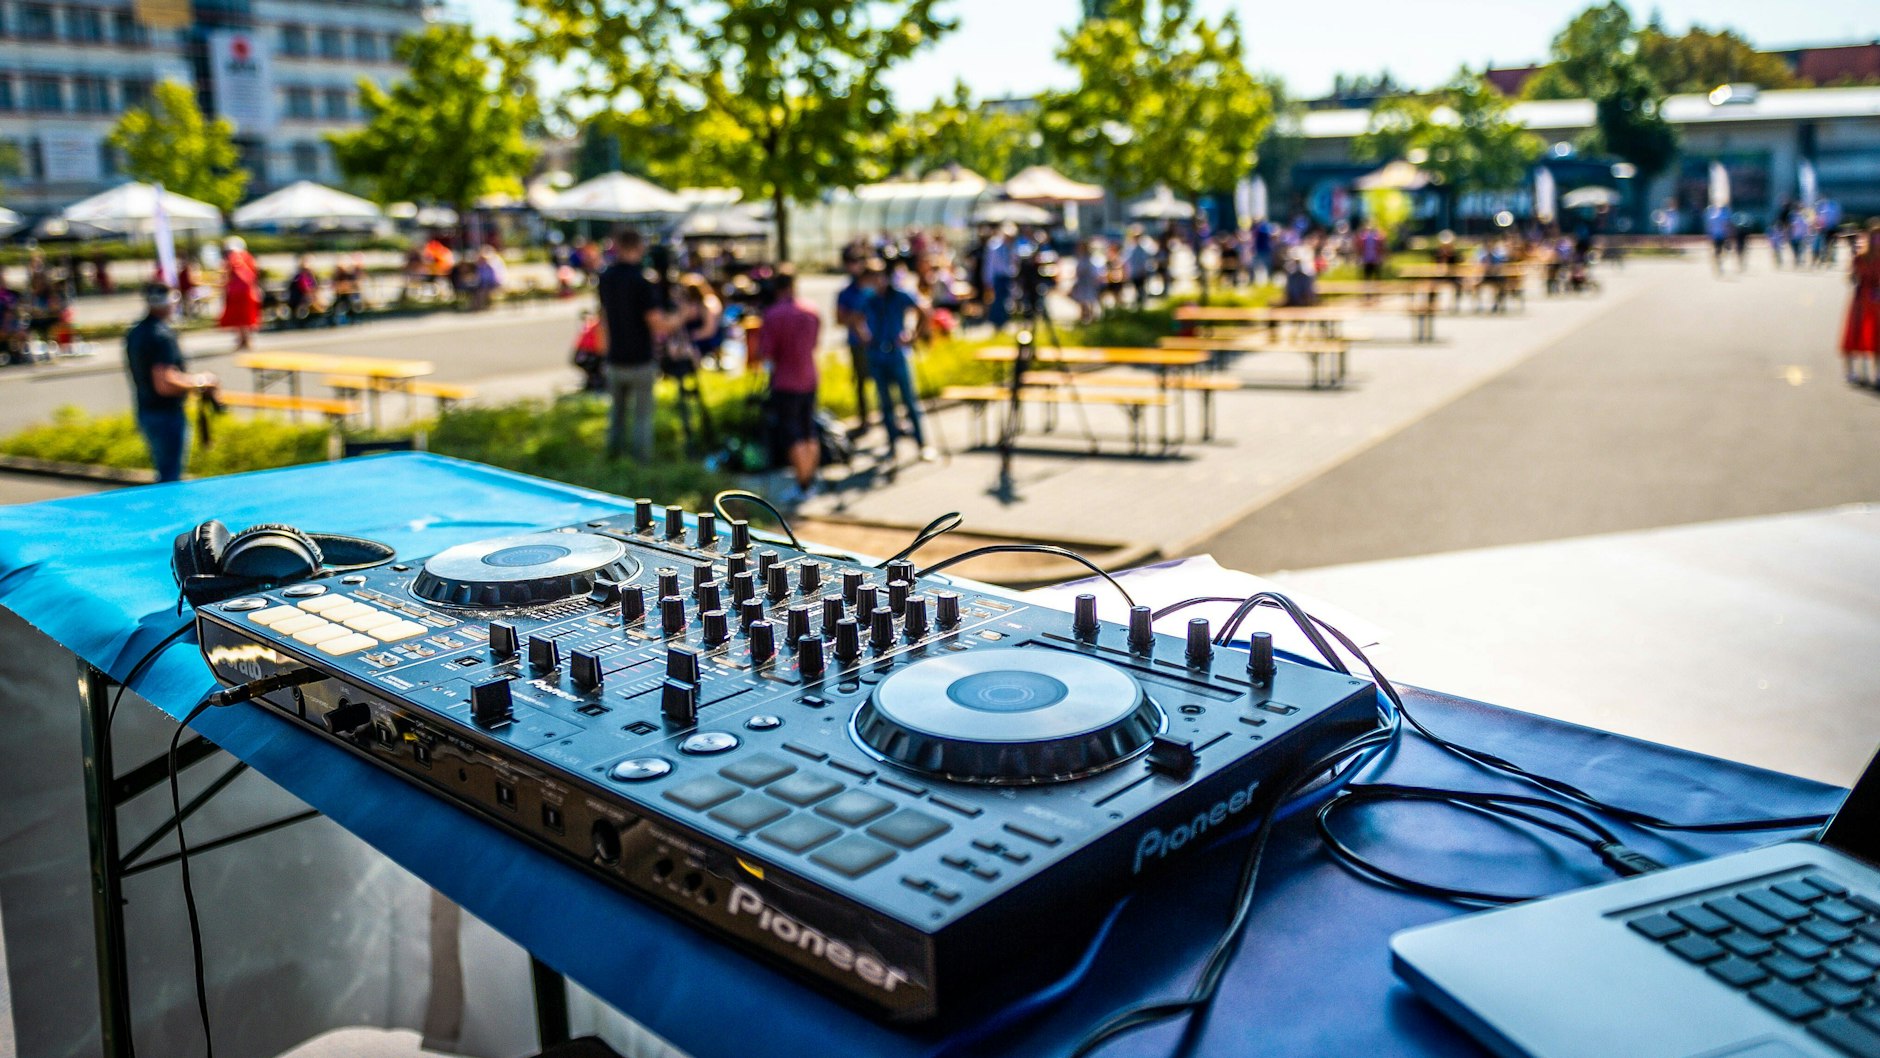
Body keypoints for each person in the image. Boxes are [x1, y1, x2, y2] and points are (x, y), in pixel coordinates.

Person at [125, 283, 217, 483]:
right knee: (170, 478)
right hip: (166, 414)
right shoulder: (161, 336)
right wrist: (200, 382)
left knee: (165, 472)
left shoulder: (137, 332)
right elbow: (165, 382)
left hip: (146, 410)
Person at [595, 228, 672, 462]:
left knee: (616, 416)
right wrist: (680, 318)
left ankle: (613, 459)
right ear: (639, 247)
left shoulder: (606, 277)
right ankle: (641, 466)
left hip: (615, 358)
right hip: (639, 359)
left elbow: (603, 318)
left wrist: (603, 352)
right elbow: (657, 323)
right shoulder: (641, 280)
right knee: (641, 418)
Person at [750, 268, 823, 501]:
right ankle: (809, 481)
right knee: (808, 429)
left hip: (786, 381)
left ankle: (803, 485)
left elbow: (766, 354)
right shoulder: (811, 310)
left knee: (793, 435)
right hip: (809, 376)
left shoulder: (773, 314)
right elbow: (814, 343)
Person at [859, 262, 934, 463]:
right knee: (885, 405)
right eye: (872, 277)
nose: (876, 281)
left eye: (879, 276)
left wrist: (914, 335)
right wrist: (864, 336)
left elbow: (924, 310)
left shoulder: (899, 295)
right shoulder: (869, 298)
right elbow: (854, 318)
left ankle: (922, 443)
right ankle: (892, 445)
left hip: (897, 355)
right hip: (877, 356)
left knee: (909, 401)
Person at [834, 251, 874, 432]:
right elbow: (840, 319)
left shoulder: (874, 289)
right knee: (861, 382)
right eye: (851, 262)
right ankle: (864, 418)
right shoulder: (846, 292)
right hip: (857, 343)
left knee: (885, 381)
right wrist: (856, 319)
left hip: (878, 342)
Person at [1841, 221, 1880, 387]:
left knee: (1876, 337)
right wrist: (1853, 271)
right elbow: (1851, 278)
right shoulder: (1860, 257)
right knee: (1854, 335)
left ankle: (1877, 373)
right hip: (1860, 300)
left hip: (1876, 302)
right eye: (1875, 237)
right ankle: (1850, 371)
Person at [218, 236, 261, 350]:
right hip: (248, 292)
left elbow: (240, 274)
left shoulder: (235, 257)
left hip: (238, 293)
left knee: (241, 318)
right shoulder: (249, 257)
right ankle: (244, 340)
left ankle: (245, 340)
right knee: (245, 318)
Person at [677, 273, 725, 369]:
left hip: (708, 339)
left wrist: (691, 337)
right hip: (693, 337)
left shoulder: (709, 303)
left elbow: (709, 330)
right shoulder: (690, 304)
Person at [981, 224, 1017, 330]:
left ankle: (1003, 321)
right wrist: (988, 280)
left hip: (1007, 276)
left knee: (1005, 300)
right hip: (997, 277)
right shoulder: (994, 246)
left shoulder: (1010, 247)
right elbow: (989, 265)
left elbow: (1013, 263)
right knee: (997, 300)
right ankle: (997, 322)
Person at [474, 245, 505, 311]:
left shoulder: (494, 262)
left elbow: (497, 276)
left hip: (496, 282)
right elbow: (479, 276)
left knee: (482, 291)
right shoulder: (481, 264)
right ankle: (479, 307)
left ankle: (480, 307)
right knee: (476, 289)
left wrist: (488, 262)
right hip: (485, 283)